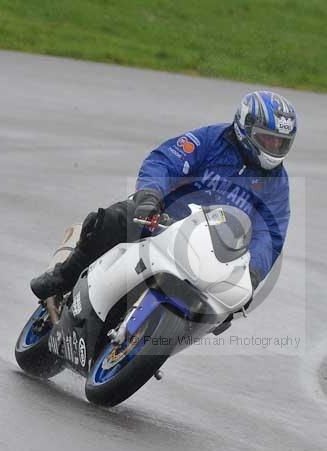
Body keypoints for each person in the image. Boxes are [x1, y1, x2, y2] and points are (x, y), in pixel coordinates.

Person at [30, 90, 296, 301]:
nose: (274, 147)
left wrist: (254, 273)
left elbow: (270, 235)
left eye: (280, 142)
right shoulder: (211, 140)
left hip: (212, 252)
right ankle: (63, 277)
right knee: (111, 220)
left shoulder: (277, 185)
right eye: (267, 139)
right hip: (162, 218)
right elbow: (164, 161)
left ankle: (162, 339)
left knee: (230, 302)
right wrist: (149, 196)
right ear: (245, 127)